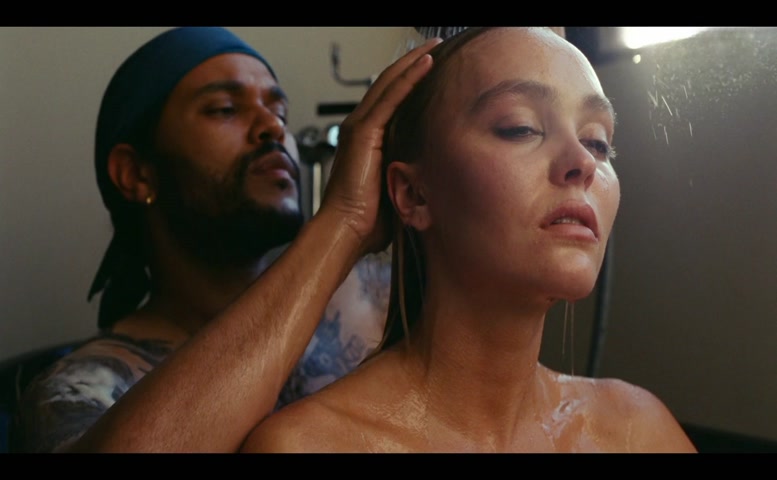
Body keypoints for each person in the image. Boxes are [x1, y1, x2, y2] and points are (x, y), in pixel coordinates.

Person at [240, 27, 699, 453]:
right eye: (520, 127)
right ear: (414, 194)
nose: (583, 161)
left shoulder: (638, 432)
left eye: (597, 142)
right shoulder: (309, 445)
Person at [11, 26, 441, 453]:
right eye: (224, 109)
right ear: (136, 173)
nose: (272, 127)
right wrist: (342, 223)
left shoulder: (377, 301)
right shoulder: (82, 387)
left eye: (280, 112)